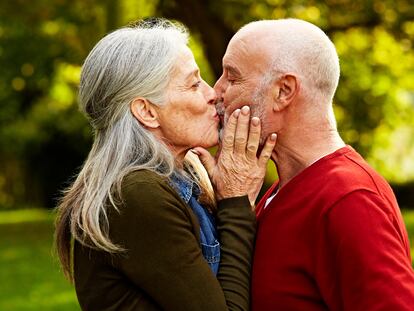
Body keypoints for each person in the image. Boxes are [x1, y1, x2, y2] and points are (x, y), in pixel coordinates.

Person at [54, 19, 276, 310]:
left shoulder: (183, 179)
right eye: (194, 83)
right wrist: (235, 202)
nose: (213, 94)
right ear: (147, 112)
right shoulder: (136, 195)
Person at [208, 18, 414, 310]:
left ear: (284, 91)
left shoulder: (350, 199)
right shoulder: (282, 190)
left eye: (232, 77)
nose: (216, 91)